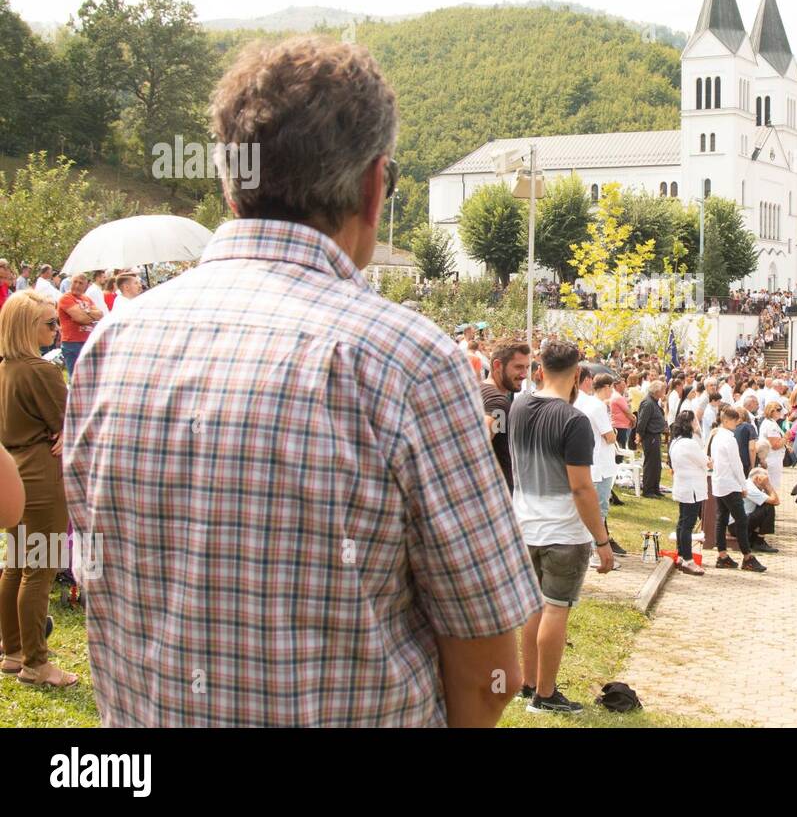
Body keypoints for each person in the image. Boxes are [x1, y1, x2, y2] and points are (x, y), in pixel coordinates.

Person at [64, 36, 541, 726]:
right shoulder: (410, 364)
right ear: (377, 186)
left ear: (233, 182)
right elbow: (490, 668)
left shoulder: (112, 346)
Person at [511, 340, 613, 714]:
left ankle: (529, 681)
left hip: (524, 523)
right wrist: (602, 540)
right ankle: (546, 694)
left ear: (539, 369)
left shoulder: (519, 406)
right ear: (577, 375)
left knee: (532, 609)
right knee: (555, 608)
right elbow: (581, 488)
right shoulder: (574, 420)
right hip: (562, 531)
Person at [0, 291, 76, 685]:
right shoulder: (42, 371)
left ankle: (13, 650)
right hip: (41, 473)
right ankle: (36, 662)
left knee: (16, 563)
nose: (56, 329)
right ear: (26, 327)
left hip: (12, 470)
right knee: (40, 568)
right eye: (49, 323)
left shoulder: (6, 368)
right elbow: (75, 421)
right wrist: (69, 427)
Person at [708, 405, 766, 572]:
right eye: (734, 421)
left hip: (719, 482)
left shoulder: (717, 436)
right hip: (730, 483)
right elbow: (736, 464)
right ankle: (747, 557)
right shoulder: (729, 439)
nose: (736, 424)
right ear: (726, 420)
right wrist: (743, 485)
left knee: (722, 519)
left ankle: (722, 555)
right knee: (741, 520)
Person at [577, 371, 626, 564]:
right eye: (610, 388)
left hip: (594, 461)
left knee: (594, 509)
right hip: (601, 464)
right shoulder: (596, 406)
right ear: (605, 388)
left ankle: (590, 550)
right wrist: (613, 431)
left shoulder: (587, 403)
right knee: (599, 510)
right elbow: (609, 436)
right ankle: (593, 551)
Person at [482, 340, 530, 489]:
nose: (524, 375)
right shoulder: (498, 404)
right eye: (518, 367)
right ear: (497, 365)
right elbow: (476, 446)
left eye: (527, 367)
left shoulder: (476, 390)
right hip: (495, 496)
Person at [668, 411, 707, 576]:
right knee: (687, 524)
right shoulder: (689, 443)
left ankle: (681, 555)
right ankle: (688, 560)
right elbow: (704, 461)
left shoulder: (675, 441)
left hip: (683, 484)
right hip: (691, 487)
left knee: (682, 522)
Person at [56, 273, 103, 377]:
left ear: (86, 285)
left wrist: (84, 311)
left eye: (80, 283)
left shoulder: (87, 299)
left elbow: (100, 314)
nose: (77, 285)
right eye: (75, 282)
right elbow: (81, 318)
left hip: (87, 341)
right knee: (75, 377)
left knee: (89, 376)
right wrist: (89, 315)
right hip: (72, 343)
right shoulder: (66, 298)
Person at [637, 380, 667, 497]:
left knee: (656, 464)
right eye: (663, 390)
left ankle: (655, 488)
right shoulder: (648, 403)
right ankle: (648, 489)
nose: (664, 392)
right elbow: (642, 422)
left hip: (655, 435)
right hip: (650, 436)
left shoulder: (654, 401)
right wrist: (640, 435)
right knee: (651, 464)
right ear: (657, 391)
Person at [741, 467, 781, 553]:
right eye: (765, 479)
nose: (766, 481)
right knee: (768, 507)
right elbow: (775, 501)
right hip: (737, 526)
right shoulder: (750, 487)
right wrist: (767, 485)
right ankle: (759, 541)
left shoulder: (750, 485)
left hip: (742, 521)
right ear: (757, 478)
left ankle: (755, 539)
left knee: (765, 505)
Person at [759, 400, 786, 498]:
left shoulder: (771, 423)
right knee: (771, 487)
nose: (780, 412)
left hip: (773, 458)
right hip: (772, 459)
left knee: (770, 486)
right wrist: (786, 437)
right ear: (771, 411)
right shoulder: (770, 425)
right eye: (778, 409)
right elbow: (775, 445)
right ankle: (768, 509)